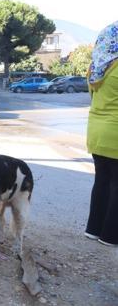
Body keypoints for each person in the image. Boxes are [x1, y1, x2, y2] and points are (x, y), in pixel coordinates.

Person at [85, 20, 118, 247]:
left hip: (96, 132)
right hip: (115, 132)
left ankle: (93, 229)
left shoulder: (95, 67)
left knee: (102, 181)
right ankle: (110, 236)